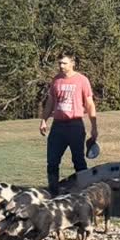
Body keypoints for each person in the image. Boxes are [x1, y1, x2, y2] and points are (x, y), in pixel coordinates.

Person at [39, 52, 98, 195]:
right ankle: (53, 192)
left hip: (75, 125)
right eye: (59, 63)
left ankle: (85, 193)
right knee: (52, 161)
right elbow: (50, 103)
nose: (61, 66)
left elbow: (89, 104)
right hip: (58, 126)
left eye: (64, 63)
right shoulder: (56, 80)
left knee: (78, 161)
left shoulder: (82, 80)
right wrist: (43, 120)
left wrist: (94, 127)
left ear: (73, 63)